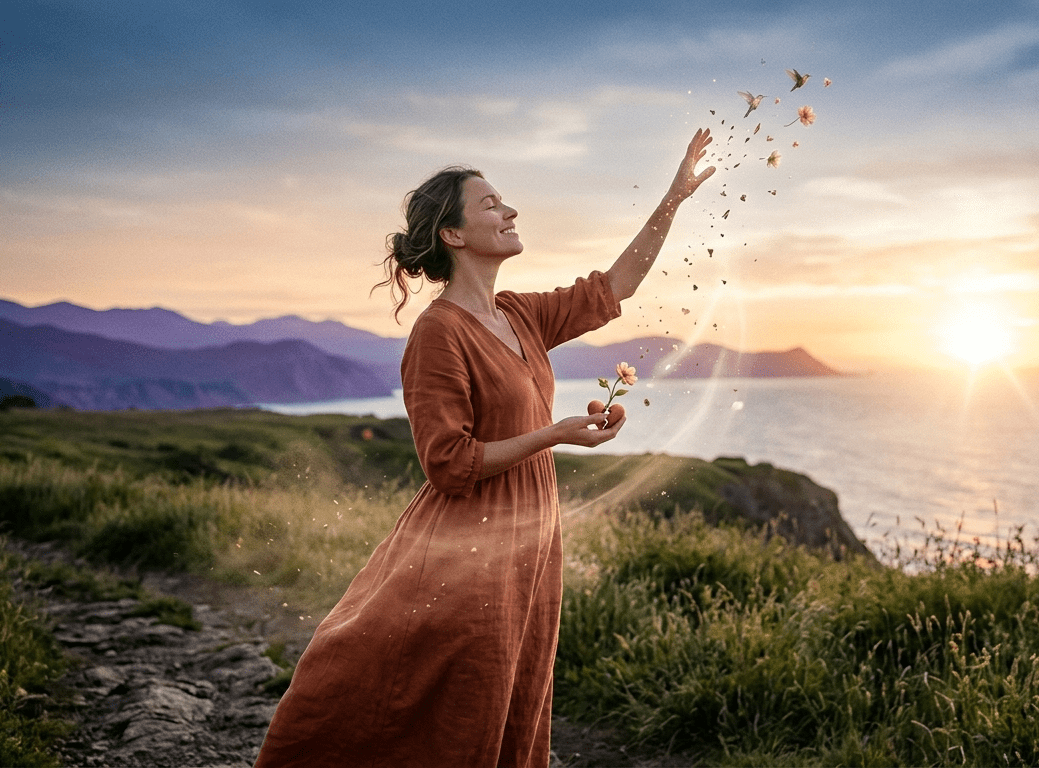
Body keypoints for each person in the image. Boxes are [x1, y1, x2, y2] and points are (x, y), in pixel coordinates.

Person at [254, 129, 715, 767]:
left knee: (510, 693)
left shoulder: (520, 314)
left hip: (528, 542)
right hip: (465, 549)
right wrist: (554, 435)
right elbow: (448, 465)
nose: (511, 211)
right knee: (453, 702)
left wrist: (675, 196)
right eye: (492, 204)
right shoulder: (438, 333)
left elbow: (617, 285)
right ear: (454, 234)